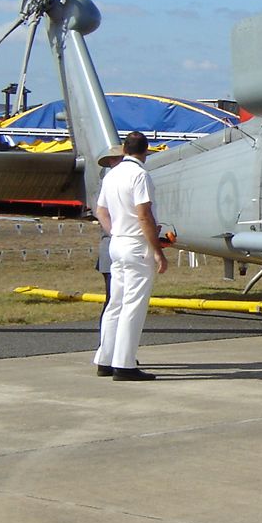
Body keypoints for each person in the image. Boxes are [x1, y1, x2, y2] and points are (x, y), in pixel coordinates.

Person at [92, 132, 167, 381]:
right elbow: (144, 215)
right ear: (146, 151)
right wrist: (157, 250)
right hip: (135, 243)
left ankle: (106, 358)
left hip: (117, 241)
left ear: (124, 150)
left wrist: (114, 230)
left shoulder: (112, 174)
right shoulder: (140, 175)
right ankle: (124, 363)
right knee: (133, 305)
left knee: (116, 302)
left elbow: (100, 209)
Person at [94, 144, 125, 327]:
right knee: (113, 300)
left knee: (116, 300)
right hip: (112, 246)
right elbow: (102, 213)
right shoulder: (109, 182)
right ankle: (105, 344)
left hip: (114, 246)